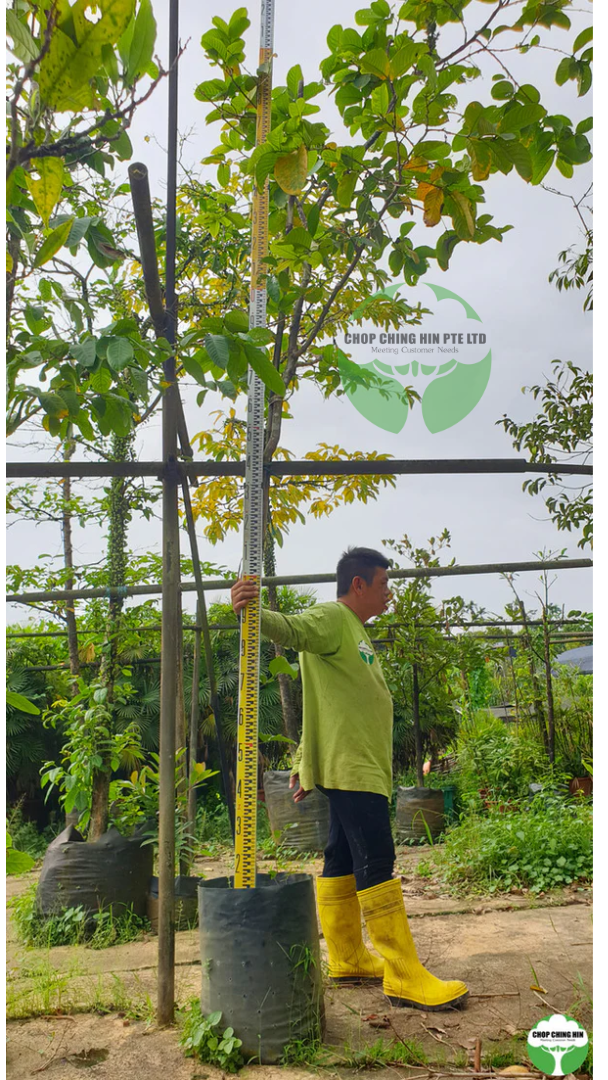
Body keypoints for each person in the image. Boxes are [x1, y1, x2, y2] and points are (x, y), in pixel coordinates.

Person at [231, 546, 468, 1011]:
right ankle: (403, 974)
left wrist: (305, 758)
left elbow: (326, 703)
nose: (389, 595)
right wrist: (251, 607)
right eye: (384, 585)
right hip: (353, 767)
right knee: (377, 858)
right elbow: (293, 630)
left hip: (354, 764)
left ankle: (346, 957)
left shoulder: (354, 631)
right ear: (358, 585)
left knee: (340, 854)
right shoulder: (333, 617)